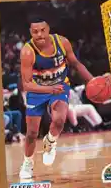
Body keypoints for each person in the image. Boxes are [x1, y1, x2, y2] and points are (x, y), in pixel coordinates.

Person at [19, 19, 94, 178]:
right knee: (32, 132)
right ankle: (28, 163)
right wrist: (48, 89)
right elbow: (26, 85)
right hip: (37, 90)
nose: (40, 34)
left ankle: (50, 142)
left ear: (48, 29)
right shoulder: (27, 51)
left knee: (60, 119)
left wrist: (92, 80)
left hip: (59, 86)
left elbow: (75, 63)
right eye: (35, 31)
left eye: (42, 30)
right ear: (31, 32)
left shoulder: (62, 42)